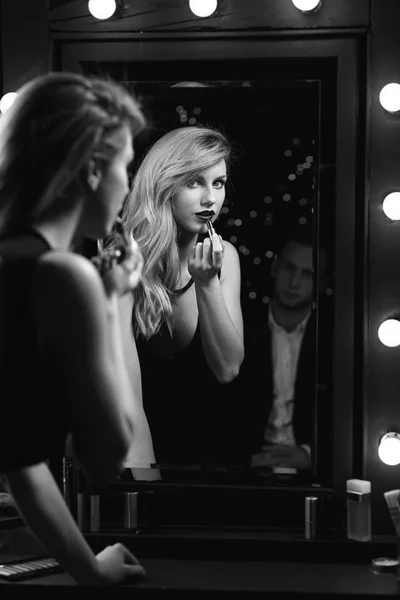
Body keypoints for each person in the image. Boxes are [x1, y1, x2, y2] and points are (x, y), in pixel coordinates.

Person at [0, 71, 152, 586]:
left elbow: (18, 457)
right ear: (92, 168)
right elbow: (106, 454)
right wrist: (113, 301)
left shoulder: (13, 262)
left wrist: (88, 569)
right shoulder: (61, 275)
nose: (129, 185)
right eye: (126, 166)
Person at [106, 125, 244, 467]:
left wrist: (207, 284)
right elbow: (127, 399)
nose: (210, 198)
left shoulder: (224, 256)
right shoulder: (123, 260)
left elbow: (227, 368)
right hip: (134, 462)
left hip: (210, 462)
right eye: (194, 182)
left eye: (218, 182)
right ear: (165, 185)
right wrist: (146, 488)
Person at [240, 225, 332, 474]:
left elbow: (343, 417)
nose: (294, 282)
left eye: (307, 274)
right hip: (249, 466)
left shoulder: (332, 339)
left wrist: (311, 454)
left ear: (321, 283)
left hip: (312, 468)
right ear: (275, 268)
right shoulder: (241, 329)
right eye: (289, 268)